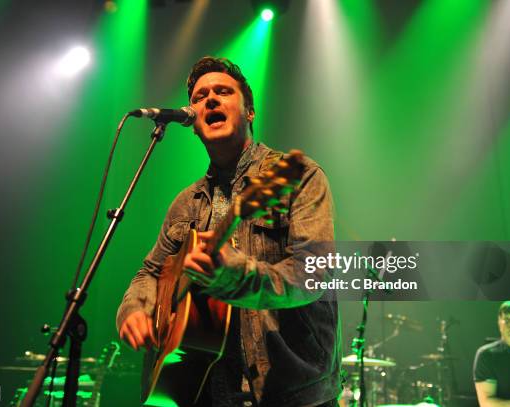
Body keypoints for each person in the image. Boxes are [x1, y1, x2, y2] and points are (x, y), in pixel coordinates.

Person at [116, 56, 342, 407]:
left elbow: (315, 274)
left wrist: (235, 275)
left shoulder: (298, 176)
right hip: (201, 390)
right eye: (199, 96)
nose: (210, 100)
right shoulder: (185, 203)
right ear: (191, 120)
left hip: (287, 392)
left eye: (223, 91)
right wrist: (135, 309)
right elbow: (150, 271)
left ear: (249, 111)